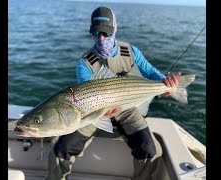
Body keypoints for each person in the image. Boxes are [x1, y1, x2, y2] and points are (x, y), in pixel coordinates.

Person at [47, 6, 181, 180]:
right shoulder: (85, 63)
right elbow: (86, 95)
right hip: (94, 112)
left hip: (127, 108)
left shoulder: (131, 52)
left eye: (106, 33)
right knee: (62, 147)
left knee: (149, 149)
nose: (101, 38)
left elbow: (151, 73)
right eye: (96, 34)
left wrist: (166, 83)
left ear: (114, 29)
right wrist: (101, 110)